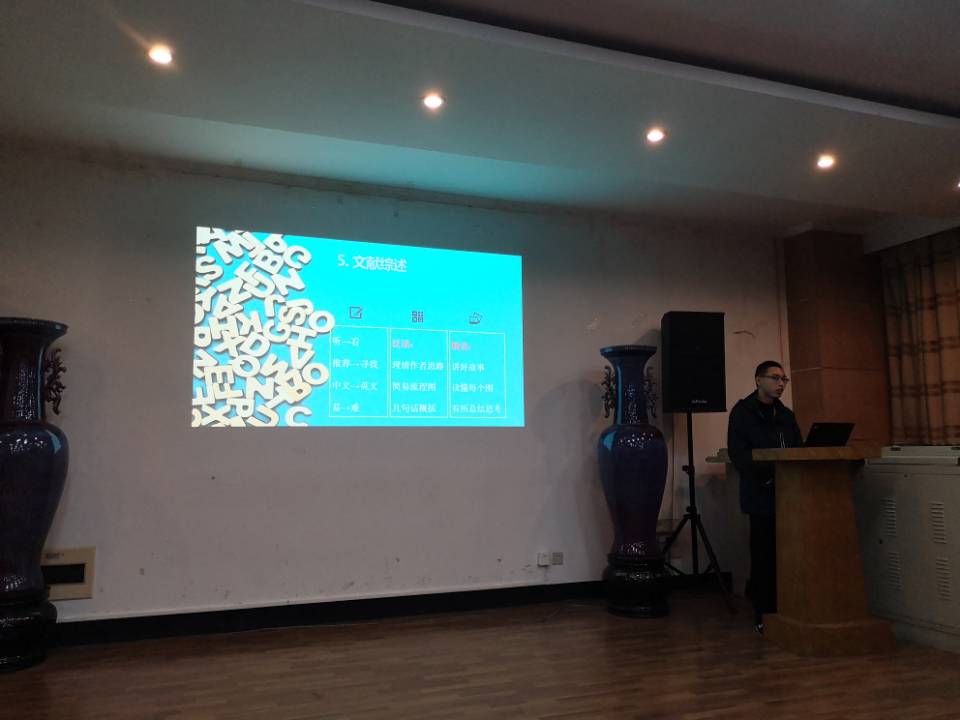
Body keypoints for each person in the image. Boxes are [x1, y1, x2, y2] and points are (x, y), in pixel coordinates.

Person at [727, 360, 803, 633]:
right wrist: (767, 473)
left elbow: (798, 450)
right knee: (763, 555)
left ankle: (790, 607)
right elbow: (739, 455)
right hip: (760, 494)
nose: (781, 384)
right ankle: (764, 612)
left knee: (788, 554)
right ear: (758, 380)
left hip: (789, 495)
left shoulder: (786, 415)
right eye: (775, 378)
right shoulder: (743, 412)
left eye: (784, 379)